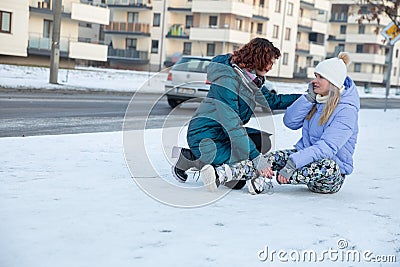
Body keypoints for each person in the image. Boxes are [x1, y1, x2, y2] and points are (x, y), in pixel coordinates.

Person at [172, 37, 301, 194]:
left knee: (262, 141)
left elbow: (273, 101)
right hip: (205, 136)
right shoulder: (227, 81)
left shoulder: (252, 79)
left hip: (224, 134)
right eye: (269, 62)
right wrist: (256, 158)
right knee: (238, 181)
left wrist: (306, 98)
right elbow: (232, 124)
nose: (271, 67)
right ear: (257, 59)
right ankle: (189, 158)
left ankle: (199, 158)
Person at [263, 52, 359, 193]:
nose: (315, 80)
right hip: (307, 161)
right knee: (269, 159)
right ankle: (228, 174)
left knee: (327, 165)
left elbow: (327, 147)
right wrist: (308, 99)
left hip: (329, 176)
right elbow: (290, 122)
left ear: (333, 82)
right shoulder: (318, 100)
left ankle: (270, 178)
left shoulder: (346, 111)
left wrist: (293, 163)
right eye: (315, 76)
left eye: (321, 77)